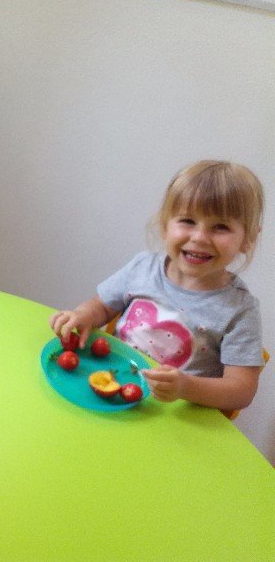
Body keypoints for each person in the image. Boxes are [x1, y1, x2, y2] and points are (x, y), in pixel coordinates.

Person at [49, 160, 265, 412]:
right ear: (165, 225)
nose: (199, 237)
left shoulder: (240, 310)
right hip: (111, 391)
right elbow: (102, 306)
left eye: (221, 227)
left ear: (248, 238)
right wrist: (83, 315)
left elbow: (241, 391)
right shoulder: (142, 268)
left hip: (174, 416)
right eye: (188, 220)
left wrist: (185, 387)